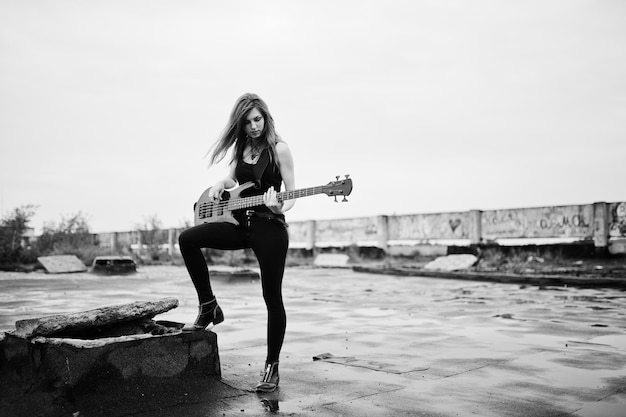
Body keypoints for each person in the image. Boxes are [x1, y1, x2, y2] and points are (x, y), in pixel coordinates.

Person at [178, 93, 295, 393]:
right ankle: (209, 306)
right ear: (241, 125)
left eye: (258, 119)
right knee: (187, 239)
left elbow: (291, 196)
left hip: (270, 226)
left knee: (272, 297)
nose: (254, 126)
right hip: (239, 225)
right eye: (248, 122)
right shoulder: (242, 147)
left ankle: (272, 367)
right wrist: (219, 184)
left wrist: (278, 206)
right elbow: (232, 181)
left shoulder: (280, 149)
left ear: (266, 118)